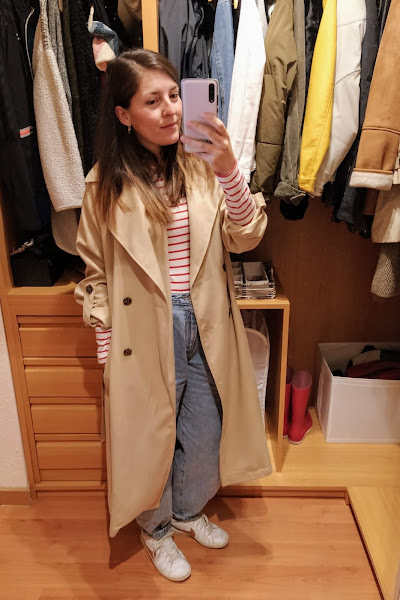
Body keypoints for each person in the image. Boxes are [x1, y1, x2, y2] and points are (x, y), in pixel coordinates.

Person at [74, 48, 271, 583]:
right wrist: (107, 346)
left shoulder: (203, 166)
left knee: (206, 429)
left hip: (206, 321)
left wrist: (229, 169)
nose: (172, 110)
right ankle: (156, 528)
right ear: (123, 114)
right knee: (151, 436)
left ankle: (186, 511)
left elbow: (246, 235)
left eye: (175, 95)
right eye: (153, 101)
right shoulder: (103, 184)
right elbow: (95, 273)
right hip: (143, 329)